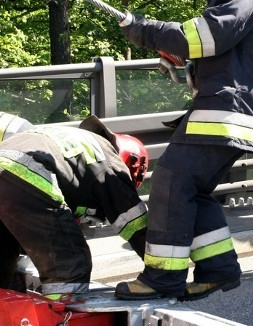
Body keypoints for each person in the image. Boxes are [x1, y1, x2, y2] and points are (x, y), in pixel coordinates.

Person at [114, 0, 253, 301]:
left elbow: (208, 34)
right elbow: (224, 51)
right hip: (233, 111)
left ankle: (161, 278)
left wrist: (146, 30)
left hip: (225, 110)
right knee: (193, 188)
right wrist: (188, 62)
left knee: (171, 183)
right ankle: (217, 269)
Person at [0, 115, 149, 300]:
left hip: (10, 174)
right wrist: (160, 272)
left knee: (4, 259)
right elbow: (136, 223)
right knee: (68, 263)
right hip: (23, 175)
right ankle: (58, 315)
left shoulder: (74, 144)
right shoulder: (110, 161)